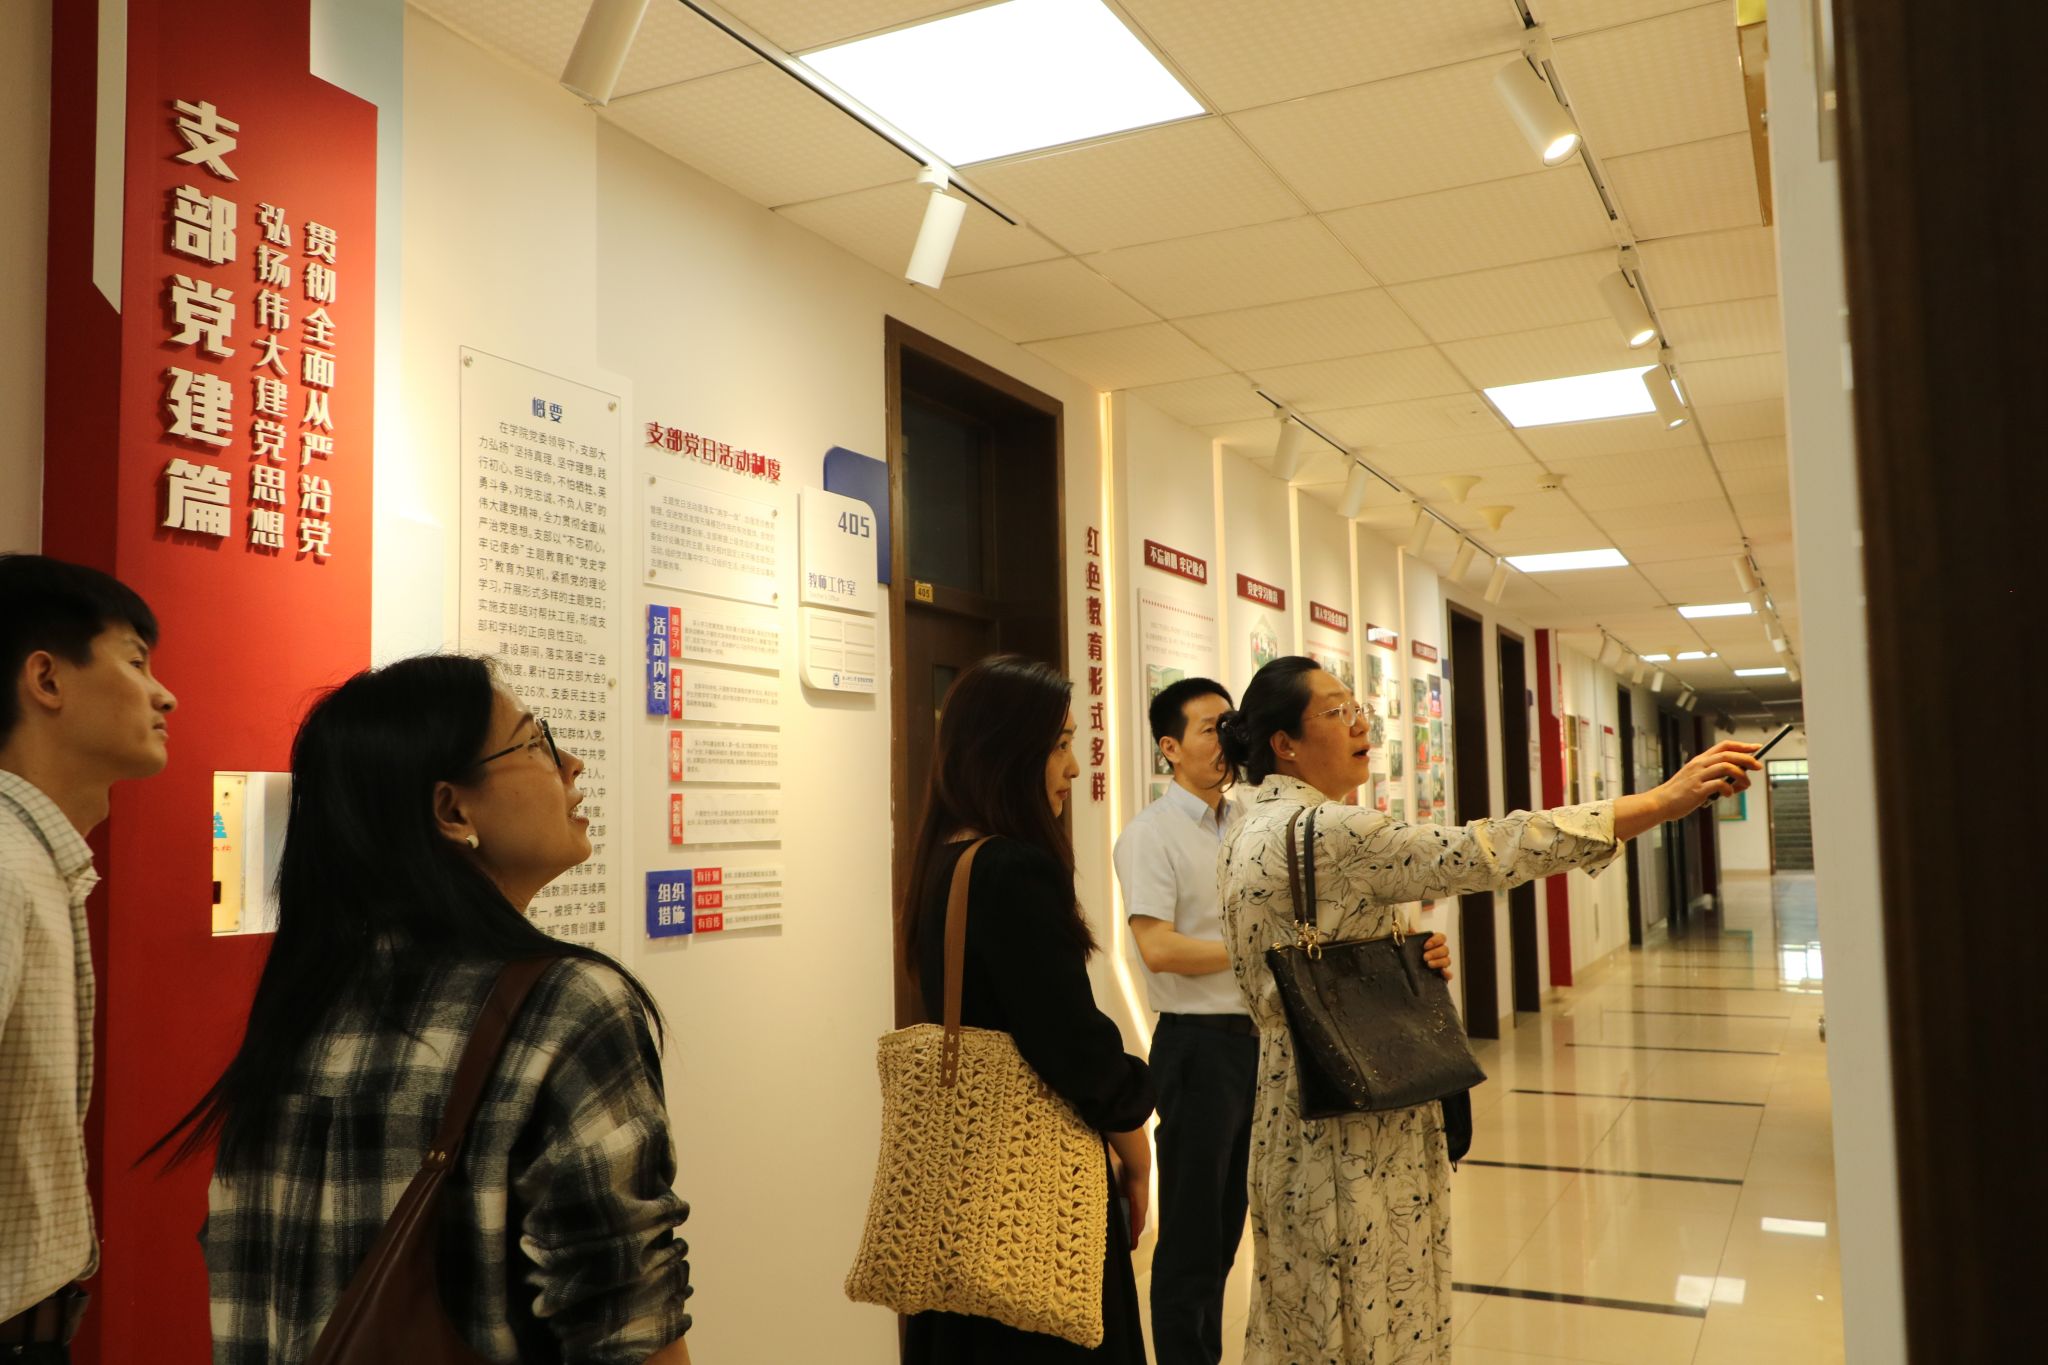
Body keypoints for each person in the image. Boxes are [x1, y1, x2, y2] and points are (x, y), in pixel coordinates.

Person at [149, 655, 694, 1365]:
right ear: (453, 811)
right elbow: (629, 1323)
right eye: (536, 742)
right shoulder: (566, 1006)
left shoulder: (299, 1010)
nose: (572, 764)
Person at [1215, 656, 1760, 1365]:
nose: (1360, 725)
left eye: (1358, 708)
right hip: (1355, 1110)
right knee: (1371, 1295)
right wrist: (1658, 803)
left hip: (1292, 1097)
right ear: (1284, 742)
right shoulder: (1327, 830)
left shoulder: (1250, 826)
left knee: (1308, 1303)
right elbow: (1485, 849)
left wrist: (1403, 956)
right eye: (1337, 711)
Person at [1117, 677, 1451, 1365]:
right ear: (1169, 747)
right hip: (1198, 1050)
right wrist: (1268, 952)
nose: (1226, 739)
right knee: (1192, 1238)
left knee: (1245, 1223)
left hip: (1270, 1043)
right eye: (1209, 728)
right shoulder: (1149, 835)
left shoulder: (1255, 820)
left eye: (1230, 723)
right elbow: (1158, 948)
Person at [903, 655, 1155, 1364]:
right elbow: (1073, 1046)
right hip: (1032, 1202)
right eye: (1059, 744)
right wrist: (1136, 1140)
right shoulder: (1013, 869)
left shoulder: (945, 861)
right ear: (1006, 751)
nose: (1072, 768)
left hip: (967, 1195)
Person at [0, 555, 175, 1362]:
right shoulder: (6, 863)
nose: (164, 695)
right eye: (136, 662)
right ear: (46, 678)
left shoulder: (36, 860)